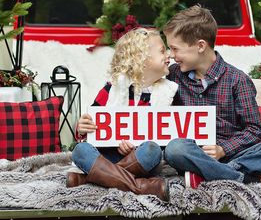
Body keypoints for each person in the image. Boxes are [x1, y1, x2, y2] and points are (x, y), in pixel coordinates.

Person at [162, 5, 261, 188]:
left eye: (175, 49)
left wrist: (222, 149)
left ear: (200, 46)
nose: (171, 56)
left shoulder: (237, 80)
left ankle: (210, 175)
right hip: (194, 155)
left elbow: (254, 130)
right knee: (175, 149)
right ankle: (243, 179)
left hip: (235, 155)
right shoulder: (173, 75)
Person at [67, 28, 178, 201]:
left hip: (139, 159)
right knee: (81, 151)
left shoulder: (168, 92)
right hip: (106, 156)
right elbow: (93, 123)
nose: (168, 55)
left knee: (152, 150)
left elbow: (166, 135)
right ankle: (140, 186)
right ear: (141, 59)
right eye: (162, 51)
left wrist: (135, 147)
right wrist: (82, 128)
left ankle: (91, 179)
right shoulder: (112, 88)